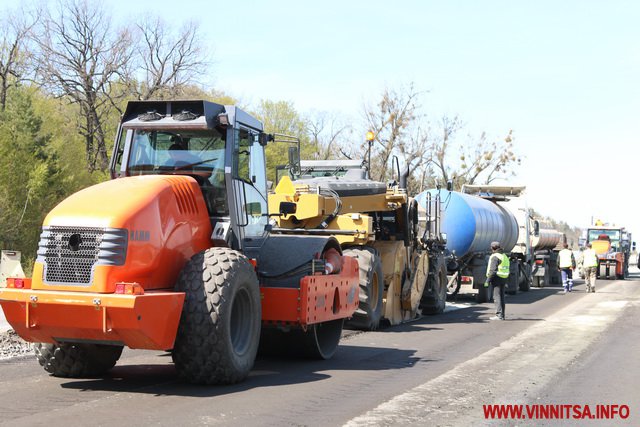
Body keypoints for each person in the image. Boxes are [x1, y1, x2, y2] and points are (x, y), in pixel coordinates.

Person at [485, 241, 510, 320]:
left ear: (492, 248)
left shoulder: (495, 256)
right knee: (502, 297)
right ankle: (502, 315)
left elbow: (493, 270)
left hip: (497, 278)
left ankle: (499, 315)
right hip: (504, 277)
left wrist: (487, 281)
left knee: (496, 297)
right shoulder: (504, 256)